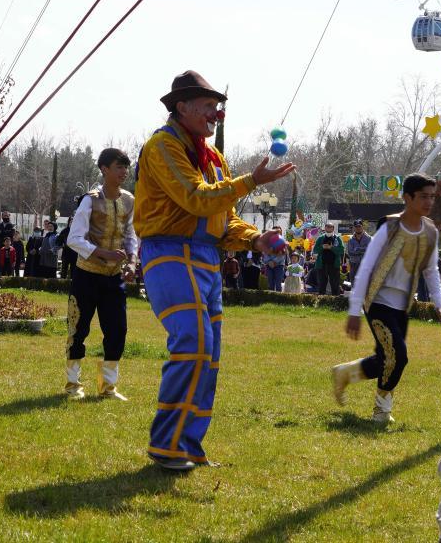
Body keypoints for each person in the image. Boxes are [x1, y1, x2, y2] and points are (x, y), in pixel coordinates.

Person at [135, 70, 294, 471]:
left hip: (205, 261)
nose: (215, 113)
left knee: (209, 355)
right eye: (208, 106)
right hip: (169, 253)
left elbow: (223, 218)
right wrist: (251, 180)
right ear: (182, 107)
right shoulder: (162, 147)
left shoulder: (213, 158)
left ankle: (186, 445)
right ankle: (166, 445)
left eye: (216, 106)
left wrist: (255, 238)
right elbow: (195, 199)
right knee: (194, 343)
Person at [331, 174, 441, 424]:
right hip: (377, 302)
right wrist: (354, 310)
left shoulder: (430, 232)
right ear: (407, 198)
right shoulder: (389, 227)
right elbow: (365, 268)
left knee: (387, 358)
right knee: (399, 355)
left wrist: (440, 305)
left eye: (432, 197)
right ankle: (381, 411)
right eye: (423, 196)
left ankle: (344, 373)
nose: (429, 202)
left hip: (402, 306)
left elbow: (430, 270)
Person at [65, 148, 138, 402]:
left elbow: (131, 236)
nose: (124, 172)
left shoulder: (129, 200)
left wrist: (131, 262)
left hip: (115, 278)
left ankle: (108, 386)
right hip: (87, 275)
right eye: (119, 167)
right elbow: (74, 239)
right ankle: (73, 384)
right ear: (104, 170)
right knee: (78, 328)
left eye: (126, 167)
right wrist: (103, 253)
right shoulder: (90, 200)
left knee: (118, 330)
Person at [314, 223, 344, 295]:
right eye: (327, 226)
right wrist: (322, 247)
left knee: (335, 284)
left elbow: (341, 250)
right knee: (321, 284)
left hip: (334, 265)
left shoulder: (338, 238)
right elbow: (315, 250)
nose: (328, 228)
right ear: (325, 228)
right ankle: (321, 302)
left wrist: (331, 248)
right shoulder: (320, 238)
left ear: (333, 228)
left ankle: (335, 301)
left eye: (330, 227)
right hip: (321, 265)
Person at [262, 225, 287, 291]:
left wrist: (275, 262)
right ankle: (270, 299)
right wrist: (269, 262)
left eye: (278, 231)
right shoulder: (267, 242)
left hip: (279, 266)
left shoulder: (283, 242)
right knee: (270, 283)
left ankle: (278, 299)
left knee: (278, 283)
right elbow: (265, 254)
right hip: (269, 265)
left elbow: (282, 255)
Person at [346, 219, 371, 284]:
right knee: (354, 283)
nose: (358, 228)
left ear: (362, 226)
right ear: (354, 228)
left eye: (359, 226)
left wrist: (357, 249)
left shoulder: (368, 238)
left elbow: (370, 250)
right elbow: (350, 252)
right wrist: (363, 250)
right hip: (354, 264)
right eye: (356, 226)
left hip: (365, 264)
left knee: (365, 283)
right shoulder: (350, 239)